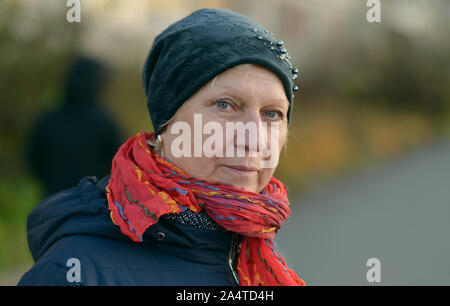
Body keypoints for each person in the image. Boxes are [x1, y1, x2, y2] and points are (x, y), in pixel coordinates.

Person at [18, 8, 305, 286]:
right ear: (166, 125)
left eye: (272, 114)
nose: (254, 140)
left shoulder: (257, 254)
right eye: (225, 105)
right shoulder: (75, 272)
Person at [25, 56, 124, 196]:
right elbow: (123, 161)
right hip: (94, 204)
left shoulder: (49, 120)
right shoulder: (105, 122)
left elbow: (34, 160)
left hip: (54, 201)